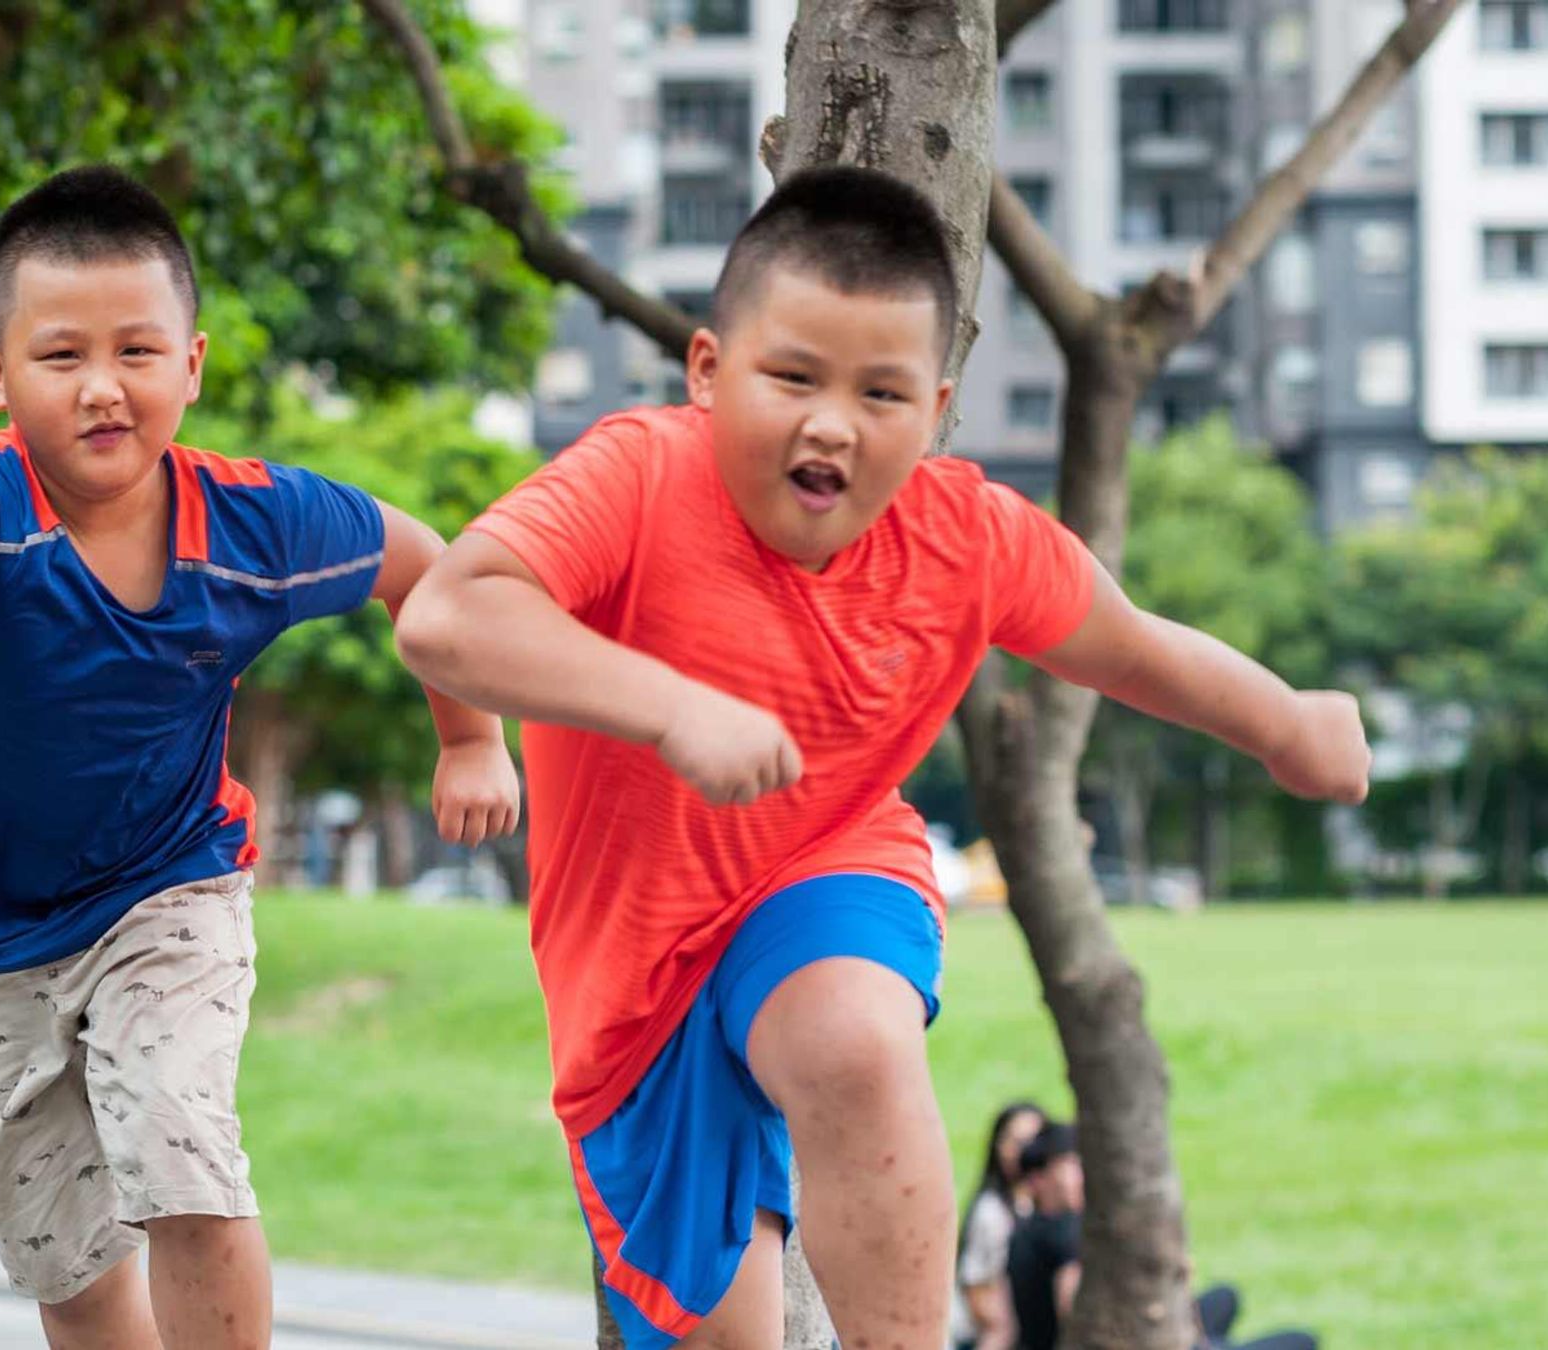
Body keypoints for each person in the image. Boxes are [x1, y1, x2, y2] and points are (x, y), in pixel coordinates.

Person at [393, 165, 1371, 1349]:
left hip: (822, 865)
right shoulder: (638, 473)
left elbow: (1129, 649)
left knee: (854, 1039)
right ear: (708, 371)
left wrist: (1287, 724)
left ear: (937, 408)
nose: (832, 423)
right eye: (792, 377)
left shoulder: (966, 536)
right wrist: (670, 709)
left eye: (882, 393)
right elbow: (448, 618)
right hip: (630, 981)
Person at [0, 165, 519, 1350]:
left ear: (192, 365)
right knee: (70, 1261)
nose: (103, 389)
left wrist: (471, 739)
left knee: (178, 1146)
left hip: (171, 889)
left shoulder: (255, 526)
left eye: (138, 353)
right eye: (61, 358)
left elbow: (429, 567)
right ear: (0, 374)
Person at [1006, 1126, 1315, 1350]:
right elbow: (1076, 1310)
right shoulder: (1064, 1232)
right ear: (1038, 1179)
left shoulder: (1024, 1232)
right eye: (1072, 1165)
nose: (1086, 1173)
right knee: (1300, 1340)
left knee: (1225, 1297)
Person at [951, 1101, 1048, 1350]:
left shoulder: (1040, 1209)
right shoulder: (991, 1212)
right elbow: (978, 1292)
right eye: (1014, 1142)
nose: (1024, 1154)